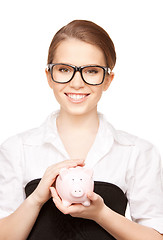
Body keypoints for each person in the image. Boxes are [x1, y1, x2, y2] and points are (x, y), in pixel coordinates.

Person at [0, 20, 163, 240]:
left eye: (92, 71)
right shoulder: (16, 149)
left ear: (108, 79)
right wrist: (36, 199)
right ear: (49, 76)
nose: (77, 83)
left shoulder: (137, 152)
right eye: (64, 69)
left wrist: (101, 214)